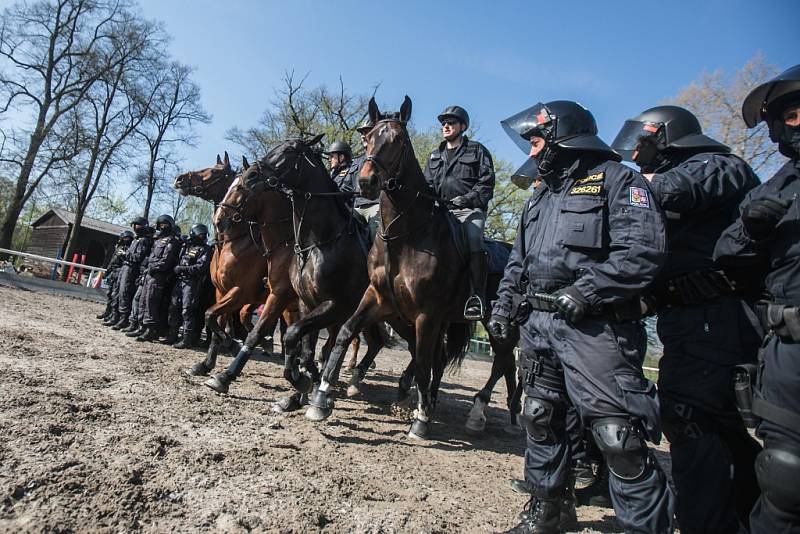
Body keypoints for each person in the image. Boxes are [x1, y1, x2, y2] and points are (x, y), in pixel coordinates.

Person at [490, 100, 674, 533]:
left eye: (536, 141)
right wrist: (502, 308)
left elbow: (643, 251)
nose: (532, 152)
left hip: (597, 328)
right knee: (539, 416)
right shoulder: (539, 197)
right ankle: (549, 510)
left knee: (617, 437)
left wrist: (587, 291)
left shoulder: (618, 181)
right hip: (539, 328)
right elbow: (518, 262)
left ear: (562, 134)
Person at [611, 105, 764, 533]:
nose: (635, 157)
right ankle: (747, 513)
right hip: (685, 319)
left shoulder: (718, 165)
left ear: (664, 136)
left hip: (722, 317)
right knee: (714, 423)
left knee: (689, 415)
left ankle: (704, 521)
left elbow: (673, 188)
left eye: (641, 146)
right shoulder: (664, 183)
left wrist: (608, 184)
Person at [713, 64, 800, 534]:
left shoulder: (476, 153)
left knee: (474, 234)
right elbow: (726, 254)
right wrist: (750, 229)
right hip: (788, 348)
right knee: (784, 474)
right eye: (790, 116)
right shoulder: (778, 183)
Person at [423, 105, 495, 320]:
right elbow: (427, 184)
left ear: (463, 126)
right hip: (440, 211)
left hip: (468, 211)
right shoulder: (434, 155)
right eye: (444, 123)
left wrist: (466, 199)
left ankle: (477, 296)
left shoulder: (477, 150)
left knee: (474, 237)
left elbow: (486, 183)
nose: (446, 126)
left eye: (451, 122)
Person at [162, 223, 212, 348]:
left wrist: (183, 269)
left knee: (187, 310)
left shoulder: (205, 249)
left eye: (204, 234)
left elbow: (201, 267)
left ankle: (186, 339)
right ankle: (172, 335)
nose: (203, 236)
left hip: (192, 283)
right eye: (200, 234)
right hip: (179, 281)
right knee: (173, 308)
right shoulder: (186, 247)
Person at [135, 214, 181, 342]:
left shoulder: (172, 241)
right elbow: (151, 257)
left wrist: (154, 267)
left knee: (152, 301)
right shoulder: (158, 240)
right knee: (143, 300)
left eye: (165, 224)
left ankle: (151, 330)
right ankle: (143, 327)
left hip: (158, 276)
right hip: (149, 274)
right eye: (160, 225)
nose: (162, 227)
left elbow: (166, 260)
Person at [109, 217, 152, 330]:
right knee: (117, 292)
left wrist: (124, 254)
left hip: (132, 268)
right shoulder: (136, 239)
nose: (135, 228)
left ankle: (124, 318)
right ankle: (116, 316)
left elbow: (138, 257)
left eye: (137, 225)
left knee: (125, 292)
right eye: (134, 225)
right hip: (125, 266)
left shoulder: (144, 240)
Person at [97, 230, 134, 321]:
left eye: (128, 238)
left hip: (120, 273)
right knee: (109, 293)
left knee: (116, 295)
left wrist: (124, 255)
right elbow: (112, 261)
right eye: (125, 238)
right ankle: (108, 312)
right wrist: (107, 272)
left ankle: (114, 314)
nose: (126, 240)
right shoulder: (118, 247)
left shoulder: (129, 249)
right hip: (113, 272)